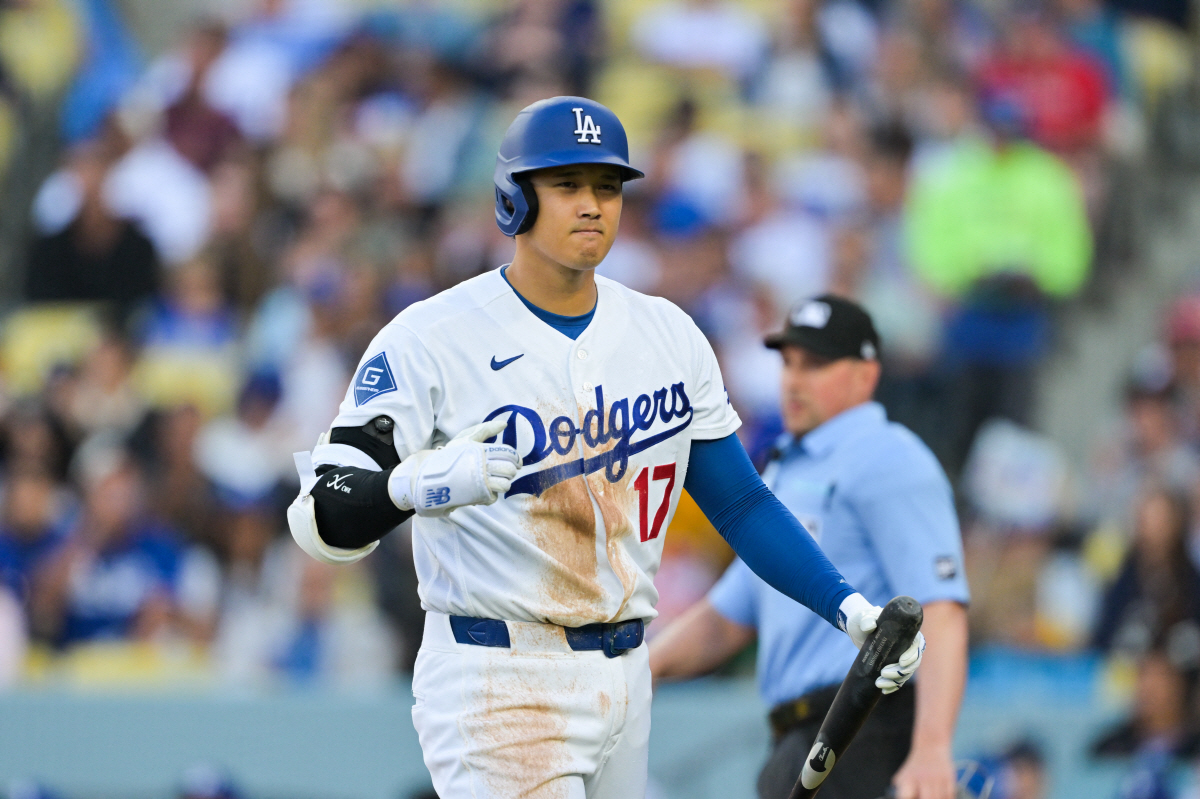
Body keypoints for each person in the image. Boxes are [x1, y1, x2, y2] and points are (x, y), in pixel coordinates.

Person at [285, 97, 925, 798]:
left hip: (626, 671)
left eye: (607, 187)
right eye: (566, 185)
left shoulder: (667, 333)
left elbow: (739, 502)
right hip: (498, 673)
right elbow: (322, 515)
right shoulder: (430, 337)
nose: (591, 204)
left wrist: (848, 609)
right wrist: (419, 485)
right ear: (513, 198)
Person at [650, 296, 969, 799]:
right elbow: (729, 613)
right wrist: (642, 669)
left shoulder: (891, 458)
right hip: (800, 740)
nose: (794, 380)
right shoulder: (787, 468)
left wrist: (932, 747)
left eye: (816, 364)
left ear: (866, 375)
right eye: (789, 362)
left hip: (861, 729)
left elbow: (940, 607)